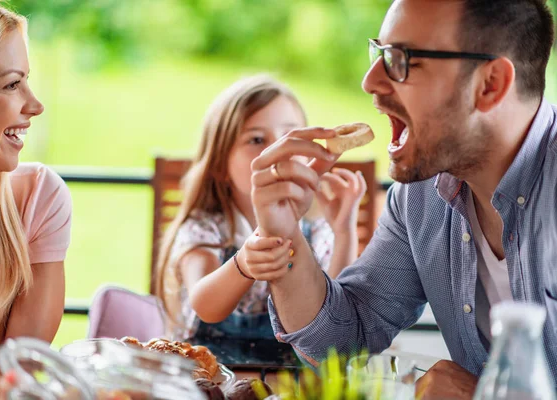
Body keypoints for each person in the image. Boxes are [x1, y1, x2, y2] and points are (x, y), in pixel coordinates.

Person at [246, 0, 557, 399]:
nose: (370, 80)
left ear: (490, 84)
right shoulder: (420, 197)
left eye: (401, 59)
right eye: (379, 52)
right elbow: (341, 341)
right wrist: (284, 231)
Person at [154, 74, 367, 340]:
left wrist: (344, 232)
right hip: (211, 375)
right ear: (221, 164)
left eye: (291, 137)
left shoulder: (315, 227)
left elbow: (335, 319)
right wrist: (243, 264)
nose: (278, 151)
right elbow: (204, 305)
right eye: (257, 140)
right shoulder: (205, 228)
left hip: (289, 380)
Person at [0, 0, 72, 394]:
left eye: (27, 80)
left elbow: (23, 383)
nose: (34, 105)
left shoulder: (38, 200)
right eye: (11, 84)